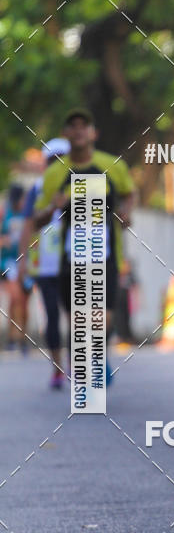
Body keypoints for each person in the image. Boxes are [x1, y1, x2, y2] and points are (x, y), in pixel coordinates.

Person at [33, 109, 136, 385]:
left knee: (103, 319)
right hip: (72, 257)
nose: (78, 130)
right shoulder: (55, 172)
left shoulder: (113, 165)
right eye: (72, 126)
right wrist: (52, 209)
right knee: (79, 319)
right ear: (66, 134)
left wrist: (126, 213)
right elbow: (38, 217)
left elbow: (128, 195)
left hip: (107, 254)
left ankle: (97, 358)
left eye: (84, 126)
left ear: (93, 133)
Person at [18, 138, 71, 388]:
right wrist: (21, 262)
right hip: (44, 264)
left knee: (75, 316)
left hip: (73, 260)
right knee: (51, 316)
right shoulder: (37, 189)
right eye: (52, 160)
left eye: (61, 159)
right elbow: (28, 225)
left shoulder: (80, 183)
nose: (56, 164)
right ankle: (58, 368)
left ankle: (77, 366)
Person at [0, 183, 29, 352]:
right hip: (9, 262)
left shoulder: (29, 214)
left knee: (24, 302)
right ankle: (12, 336)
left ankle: (23, 337)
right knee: (15, 298)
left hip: (27, 262)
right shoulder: (6, 214)